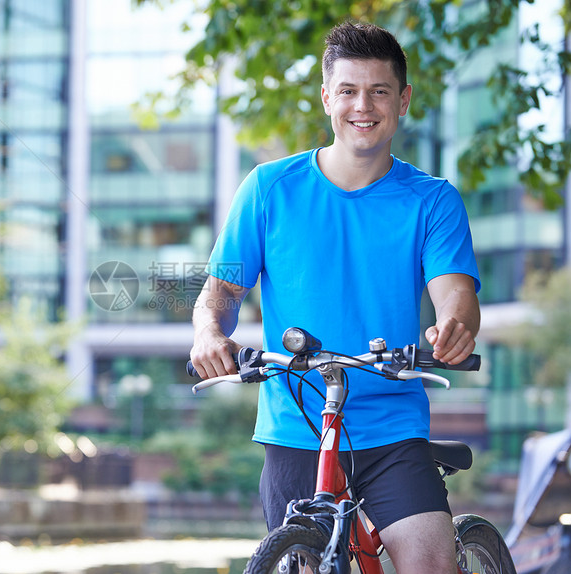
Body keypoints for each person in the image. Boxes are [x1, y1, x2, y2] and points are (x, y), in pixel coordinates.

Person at [190, 21, 480, 574]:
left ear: (404, 100)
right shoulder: (267, 188)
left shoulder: (433, 200)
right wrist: (208, 333)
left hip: (392, 429)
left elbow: (456, 294)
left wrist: (454, 327)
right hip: (295, 425)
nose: (362, 105)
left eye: (379, 91)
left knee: (431, 565)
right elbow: (221, 288)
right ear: (327, 97)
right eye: (348, 90)